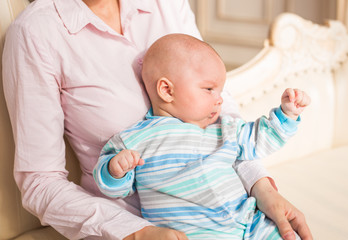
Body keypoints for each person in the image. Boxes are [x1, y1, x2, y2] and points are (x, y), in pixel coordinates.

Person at [2, 0, 312, 239]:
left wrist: (263, 190)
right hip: (142, 224)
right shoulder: (37, 32)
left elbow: (221, 115)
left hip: (237, 210)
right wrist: (135, 232)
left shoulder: (164, 3)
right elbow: (40, 182)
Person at [93, 33, 311, 240]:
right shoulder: (135, 139)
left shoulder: (224, 128)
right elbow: (113, 187)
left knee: (286, 234)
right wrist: (114, 169)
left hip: (250, 224)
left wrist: (286, 115)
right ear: (167, 90)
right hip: (196, 233)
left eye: (220, 91)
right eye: (209, 89)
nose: (219, 100)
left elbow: (259, 139)